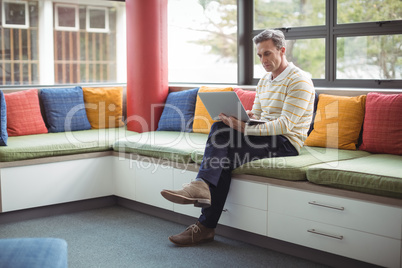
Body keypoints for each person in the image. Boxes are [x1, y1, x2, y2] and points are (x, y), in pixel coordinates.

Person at [161, 29, 315, 246]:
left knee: (220, 142)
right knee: (221, 144)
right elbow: (261, 115)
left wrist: (242, 128)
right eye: (260, 55)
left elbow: (284, 124)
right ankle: (204, 215)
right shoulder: (264, 81)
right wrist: (246, 116)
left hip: (286, 142)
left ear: (282, 50)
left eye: (268, 54)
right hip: (264, 135)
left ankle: (204, 215)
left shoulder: (299, 81)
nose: (263, 60)